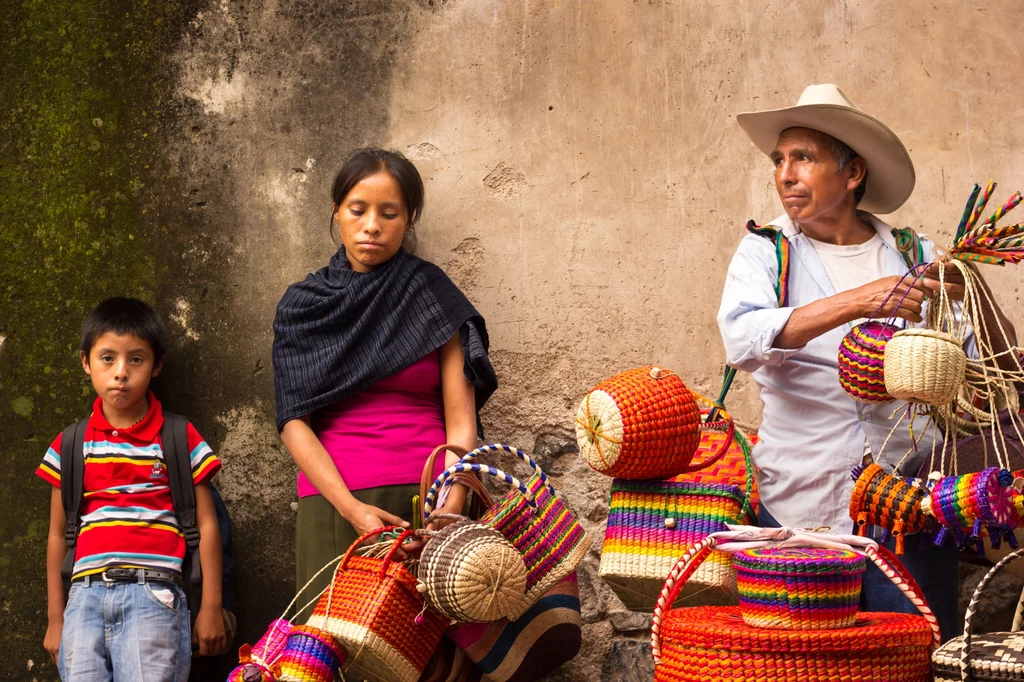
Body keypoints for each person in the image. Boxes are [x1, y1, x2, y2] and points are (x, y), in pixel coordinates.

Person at [717, 84, 1017, 641]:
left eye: (802, 158)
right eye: (779, 160)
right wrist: (860, 300)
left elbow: (985, 361)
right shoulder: (766, 250)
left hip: (910, 506)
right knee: (805, 665)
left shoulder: (914, 253)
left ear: (851, 173)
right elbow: (740, 338)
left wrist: (973, 288)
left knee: (915, 652)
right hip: (797, 504)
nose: (785, 175)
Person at [273, 147, 498, 603]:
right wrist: (351, 509)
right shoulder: (302, 307)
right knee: (330, 654)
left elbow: (461, 423)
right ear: (337, 212)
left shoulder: (433, 297)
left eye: (389, 213)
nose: (372, 225)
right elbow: (294, 421)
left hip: (429, 494)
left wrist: (448, 512)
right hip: (335, 501)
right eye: (358, 210)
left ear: (408, 219)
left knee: (431, 662)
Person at [39, 297, 227, 680]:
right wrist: (55, 618)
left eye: (136, 359)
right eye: (107, 358)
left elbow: (207, 525)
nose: (120, 372)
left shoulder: (178, 436)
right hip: (83, 599)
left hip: (153, 596)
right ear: (85, 362)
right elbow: (59, 532)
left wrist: (211, 606)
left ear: (157, 365)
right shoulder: (71, 444)